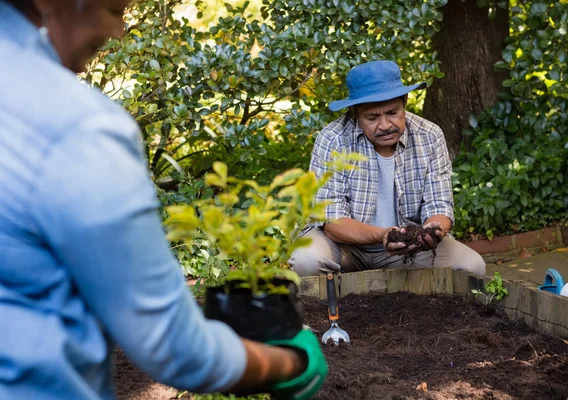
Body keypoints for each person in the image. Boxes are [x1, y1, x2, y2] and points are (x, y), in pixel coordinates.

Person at [0, 1, 326, 398]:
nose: (119, 31)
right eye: (114, 9)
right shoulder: (73, 125)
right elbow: (173, 347)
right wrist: (291, 363)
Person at [289, 60, 486, 277]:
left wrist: (431, 232)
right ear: (356, 114)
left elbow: (439, 205)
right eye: (372, 117)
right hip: (345, 248)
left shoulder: (429, 136)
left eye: (392, 112)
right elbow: (332, 223)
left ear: (405, 102)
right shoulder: (333, 140)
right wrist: (382, 234)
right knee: (305, 260)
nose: (384, 125)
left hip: (407, 249)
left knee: (472, 267)